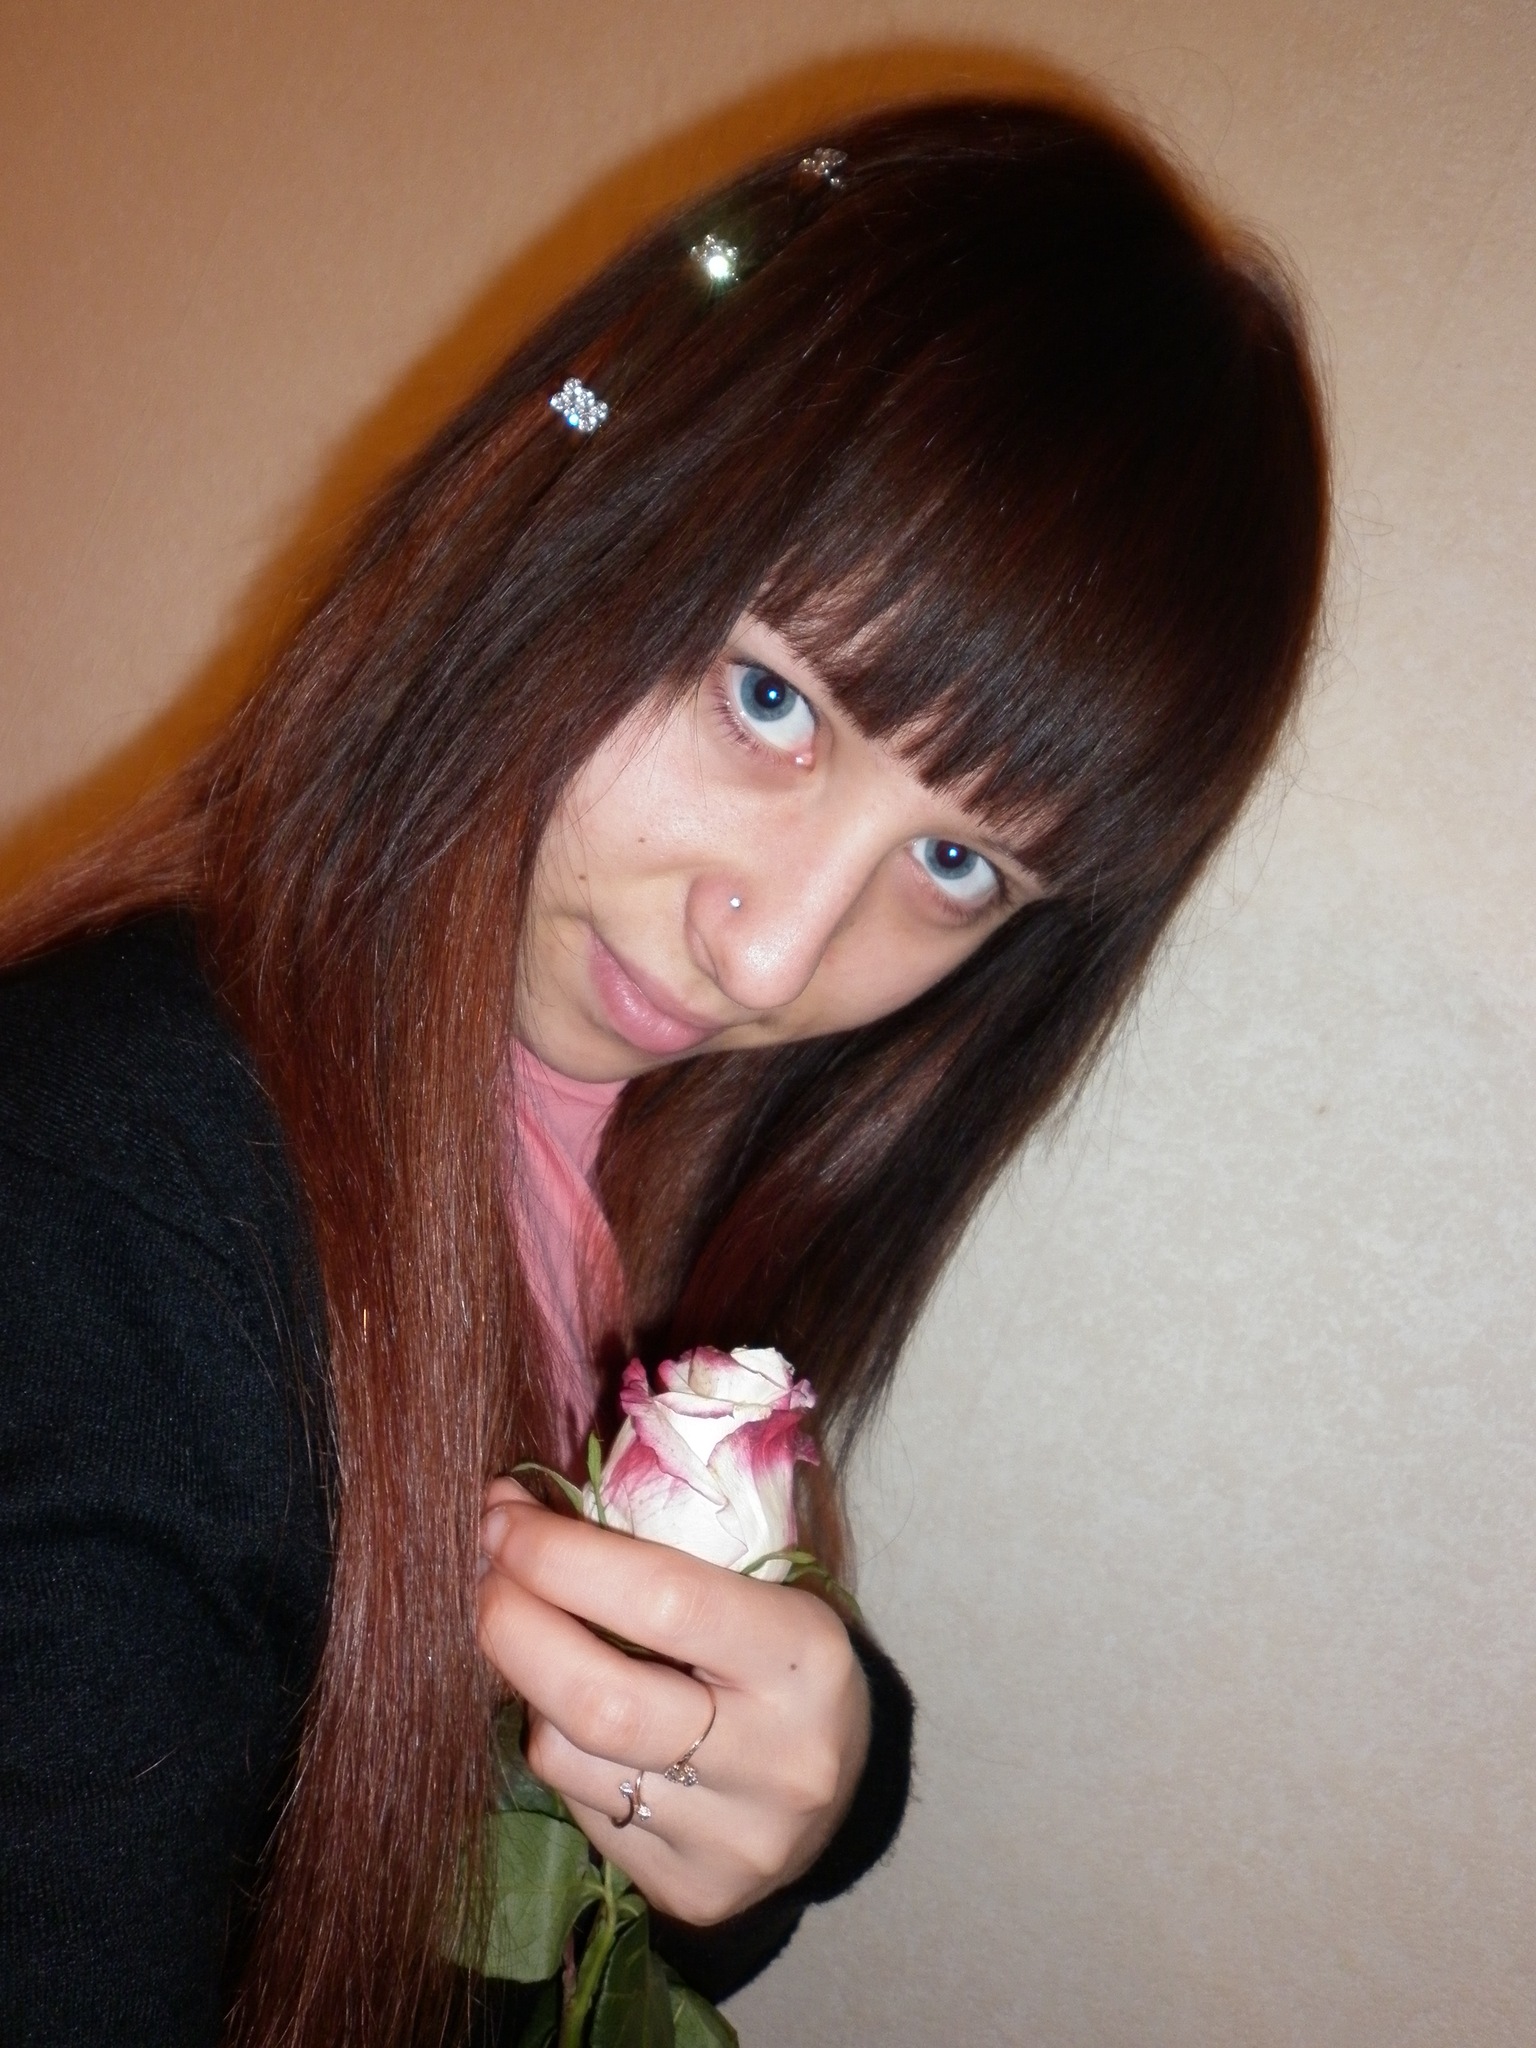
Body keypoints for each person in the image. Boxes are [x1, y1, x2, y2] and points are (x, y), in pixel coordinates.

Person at [0, 94, 1329, 2048]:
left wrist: (812, 1787)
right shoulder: (115, 1200)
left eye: (957, 864)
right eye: (771, 696)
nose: (772, 953)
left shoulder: (630, 1167)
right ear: (572, 510)